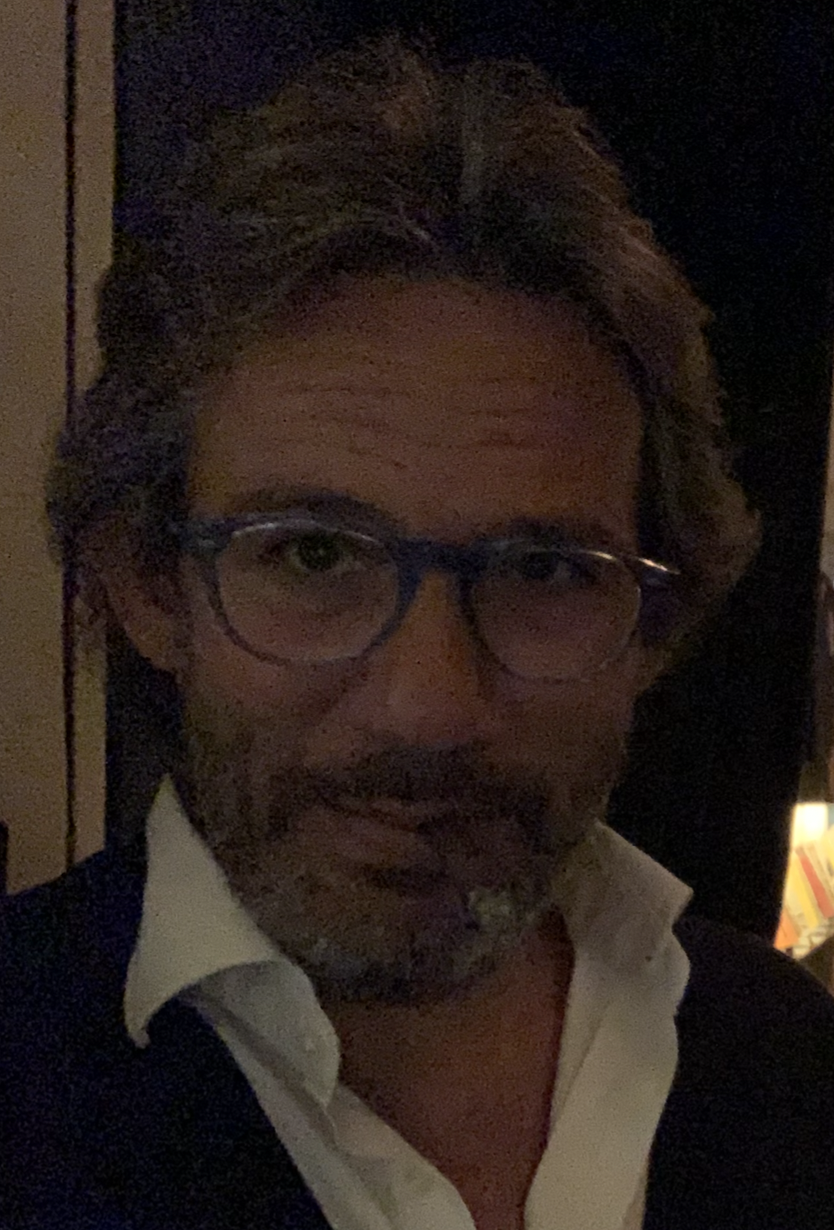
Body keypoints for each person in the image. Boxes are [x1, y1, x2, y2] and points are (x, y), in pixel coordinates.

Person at [3, 31, 834, 1230]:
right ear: (149, 586)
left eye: (543, 570)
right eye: (314, 555)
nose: (430, 705)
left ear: (653, 624)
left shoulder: (794, 1064)